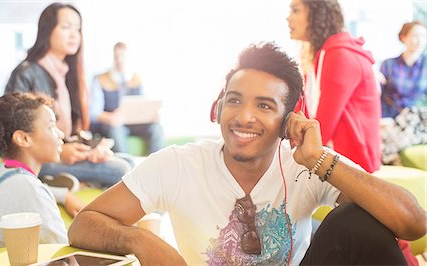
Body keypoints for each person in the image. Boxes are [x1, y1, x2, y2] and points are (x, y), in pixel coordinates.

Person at [67, 43, 425, 265]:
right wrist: (141, 240)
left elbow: (413, 222)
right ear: (218, 106)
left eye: (264, 105)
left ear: (288, 119)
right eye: (234, 100)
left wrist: (320, 159)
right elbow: (84, 223)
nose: (244, 116)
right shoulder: (176, 164)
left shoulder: (304, 166)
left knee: (354, 222)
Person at [5, 3, 131, 189]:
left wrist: (91, 148)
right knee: (121, 169)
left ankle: (71, 187)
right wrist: (61, 150)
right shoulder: (26, 73)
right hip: (41, 159)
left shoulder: (67, 73)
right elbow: (14, 135)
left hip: (62, 152)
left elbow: (69, 132)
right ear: (47, 30)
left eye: (77, 29)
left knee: (130, 161)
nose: (74, 34)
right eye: (66, 27)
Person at [286, 0, 381, 173]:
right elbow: (304, 109)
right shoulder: (323, 54)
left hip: (352, 167)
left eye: (295, 10)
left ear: (317, 14)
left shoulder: (339, 55)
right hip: (339, 159)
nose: (288, 17)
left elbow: (322, 128)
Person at [0, 92, 68, 250]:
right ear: (23, 138)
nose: (61, 134)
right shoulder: (27, 187)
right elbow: (64, 252)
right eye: (51, 127)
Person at [90, 42, 165, 154]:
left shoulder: (137, 79)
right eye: (116, 57)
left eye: (123, 56)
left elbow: (144, 104)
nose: (120, 60)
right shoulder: (100, 80)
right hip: (114, 123)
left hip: (135, 123)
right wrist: (110, 117)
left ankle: (157, 164)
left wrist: (152, 115)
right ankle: (127, 166)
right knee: (116, 129)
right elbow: (94, 113)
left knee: (157, 128)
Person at [380, 20, 427, 119]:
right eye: (415, 36)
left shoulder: (425, 66)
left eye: (423, 36)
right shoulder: (388, 64)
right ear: (403, 38)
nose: (420, 40)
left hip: (414, 121)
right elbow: (377, 95)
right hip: (388, 120)